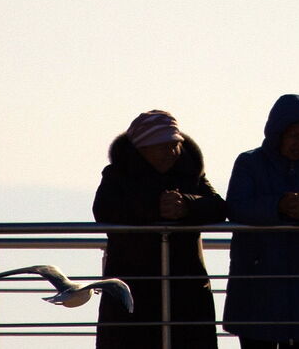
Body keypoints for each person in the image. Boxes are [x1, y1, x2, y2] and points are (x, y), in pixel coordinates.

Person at [91, 109, 228, 349]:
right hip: (133, 285)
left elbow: (218, 207)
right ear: (142, 149)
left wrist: (187, 205)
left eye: (175, 145)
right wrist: (155, 208)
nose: (172, 152)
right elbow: (104, 210)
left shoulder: (191, 170)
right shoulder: (117, 174)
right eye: (163, 146)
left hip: (186, 286)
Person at [223, 94, 299, 349]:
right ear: (278, 133)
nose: (298, 143)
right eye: (293, 135)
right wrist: (278, 206)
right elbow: (235, 207)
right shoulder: (249, 162)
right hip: (258, 280)